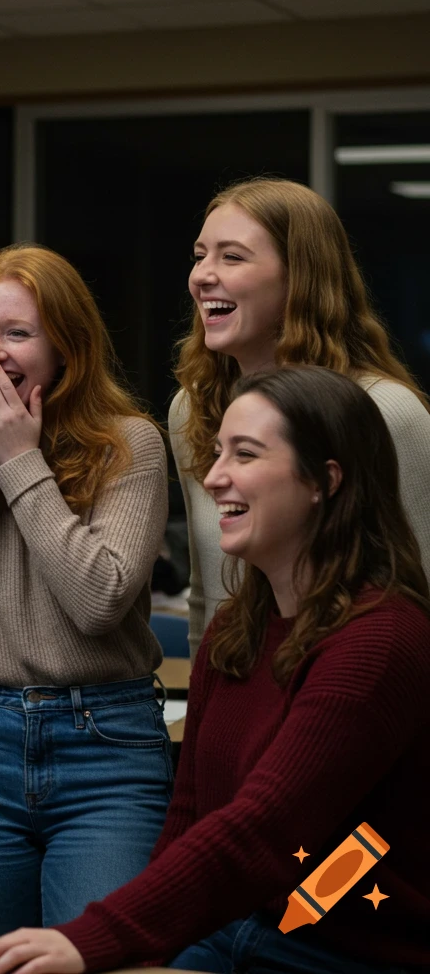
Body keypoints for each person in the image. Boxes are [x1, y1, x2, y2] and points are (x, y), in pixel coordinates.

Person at [0, 366, 430, 974]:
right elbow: (190, 820)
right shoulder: (236, 630)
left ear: (324, 480)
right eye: (216, 454)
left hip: (343, 951)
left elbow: (263, 830)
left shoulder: (382, 639)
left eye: (245, 454)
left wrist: (93, 937)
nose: (214, 479)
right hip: (234, 931)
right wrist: (143, 944)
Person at [0, 245, 171, 944]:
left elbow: (99, 600)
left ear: (66, 345)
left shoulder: (129, 445)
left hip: (106, 745)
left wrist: (21, 460)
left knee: (97, 954)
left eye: (18, 332)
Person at [170, 176, 430, 663]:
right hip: (238, 693)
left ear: (299, 277)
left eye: (232, 256)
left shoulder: (385, 410)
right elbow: (206, 595)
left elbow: (420, 599)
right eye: (200, 255)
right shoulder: (196, 405)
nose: (202, 275)